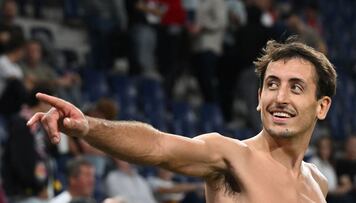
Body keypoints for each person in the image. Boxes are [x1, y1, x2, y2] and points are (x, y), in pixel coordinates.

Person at [27, 38, 337, 202]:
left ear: (321, 106)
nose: (279, 97)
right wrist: (89, 126)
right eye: (272, 84)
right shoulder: (229, 156)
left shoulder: (318, 183)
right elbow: (158, 146)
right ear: (258, 98)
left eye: (295, 87)